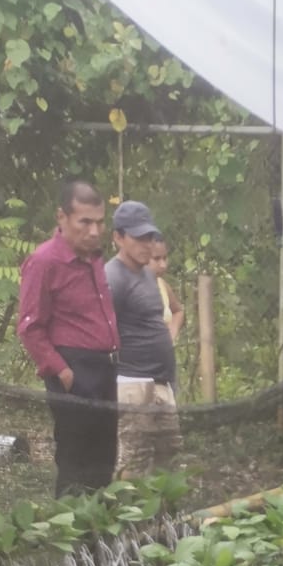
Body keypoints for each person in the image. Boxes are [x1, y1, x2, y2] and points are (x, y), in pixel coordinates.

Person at [17, 178, 120, 497]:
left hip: (105, 369)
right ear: (62, 217)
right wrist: (62, 370)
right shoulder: (44, 261)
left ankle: (102, 524)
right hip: (74, 370)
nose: (94, 231)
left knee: (104, 457)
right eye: (85, 222)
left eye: (100, 222)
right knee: (76, 460)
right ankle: (71, 525)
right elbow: (30, 326)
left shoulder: (95, 257)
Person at [105, 199, 179, 479]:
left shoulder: (148, 275)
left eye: (149, 237)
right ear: (118, 237)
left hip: (161, 382)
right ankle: (129, 507)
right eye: (138, 238)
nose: (146, 244)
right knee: (134, 462)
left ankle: (163, 507)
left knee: (169, 454)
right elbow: (103, 330)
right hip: (132, 382)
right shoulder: (113, 276)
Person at [149, 236, 185, 343]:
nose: (163, 265)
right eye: (156, 259)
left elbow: (178, 311)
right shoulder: (127, 288)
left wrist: (171, 335)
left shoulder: (162, 285)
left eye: (165, 258)